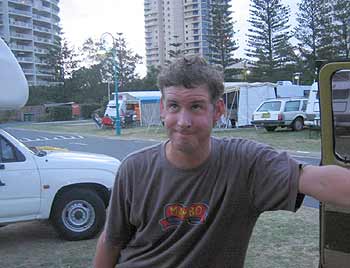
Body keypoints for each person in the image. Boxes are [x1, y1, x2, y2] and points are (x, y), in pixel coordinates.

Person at [94, 55, 350, 268]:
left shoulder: (245, 163)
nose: (183, 121)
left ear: (217, 111)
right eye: (173, 106)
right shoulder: (134, 168)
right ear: (162, 109)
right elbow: (111, 241)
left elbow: (322, 181)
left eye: (196, 107)